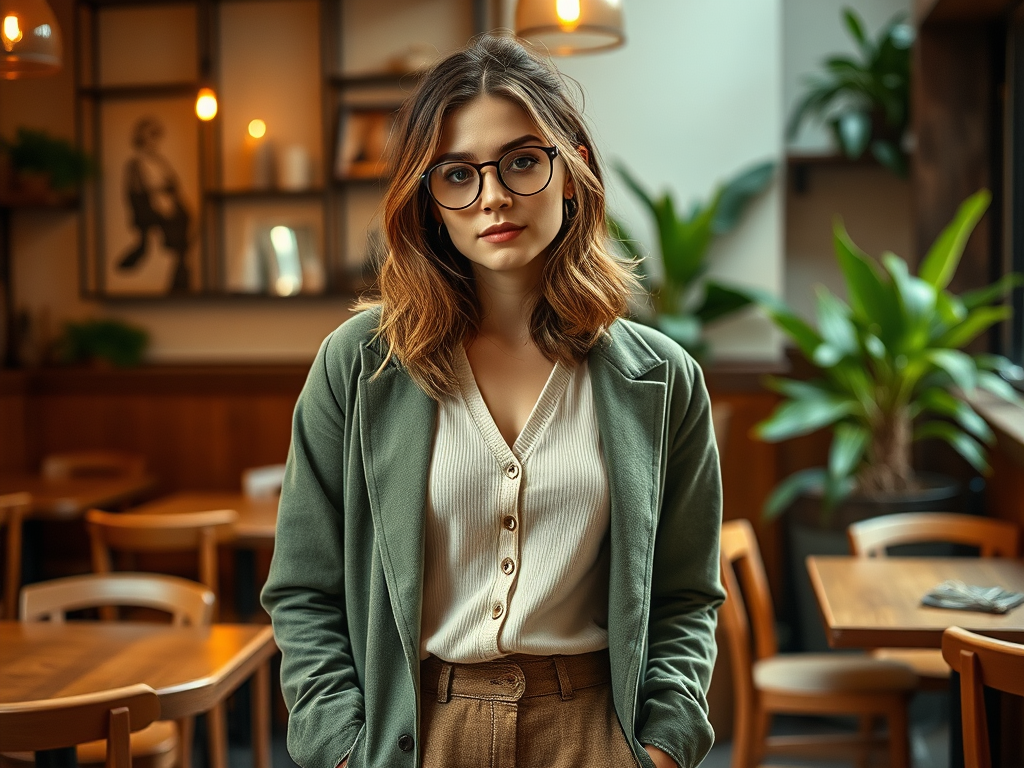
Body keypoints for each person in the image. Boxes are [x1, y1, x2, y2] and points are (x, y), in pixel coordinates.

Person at [261, 34, 724, 768]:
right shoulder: (357, 366)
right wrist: (341, 750)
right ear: (429, 199)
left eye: (521, 161)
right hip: (414, 735)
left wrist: (663, 748)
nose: (493, 196)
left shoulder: (664, 381)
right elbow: (303, 590)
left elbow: (685, 596)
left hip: (596, 735)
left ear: (569, 173)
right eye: (457, 174)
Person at [117, 116, 192, 293]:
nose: (154, 141)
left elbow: (173, 183)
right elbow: (137, 192)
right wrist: (158, 201)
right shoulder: (135, 164)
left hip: (166, 202)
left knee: (185, 217)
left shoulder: (159, 161)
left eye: (156, 136)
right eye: (151, 136)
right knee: (175, 223)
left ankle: (180, 270)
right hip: (149, 207)